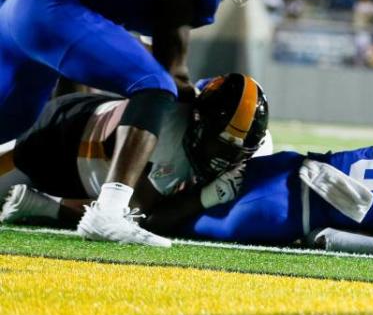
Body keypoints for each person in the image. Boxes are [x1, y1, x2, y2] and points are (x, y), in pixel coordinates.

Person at [0, 0, 270, 246]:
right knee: (155, 87)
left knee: (10, 121)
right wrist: (199, 101)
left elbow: (147, 54)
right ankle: (109, 213)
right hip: (55, 5)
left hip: (27, 6)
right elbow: (172, 73)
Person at [142, 124, 373, 260]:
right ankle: (96, 215)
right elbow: (326, 239)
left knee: (184, 188)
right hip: (280, 215)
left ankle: (120, 189)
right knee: (170, 226)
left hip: (288, 164)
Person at [0, 73, 270, 228]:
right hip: (57, 144)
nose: (222, 158)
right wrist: (207, 196)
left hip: (89, 120)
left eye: (235, 152)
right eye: (216, 144)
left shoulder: (255, 145)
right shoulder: (169, 128)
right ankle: (45, 205)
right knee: (121, 216)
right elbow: (143, 215)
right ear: (198, 122)